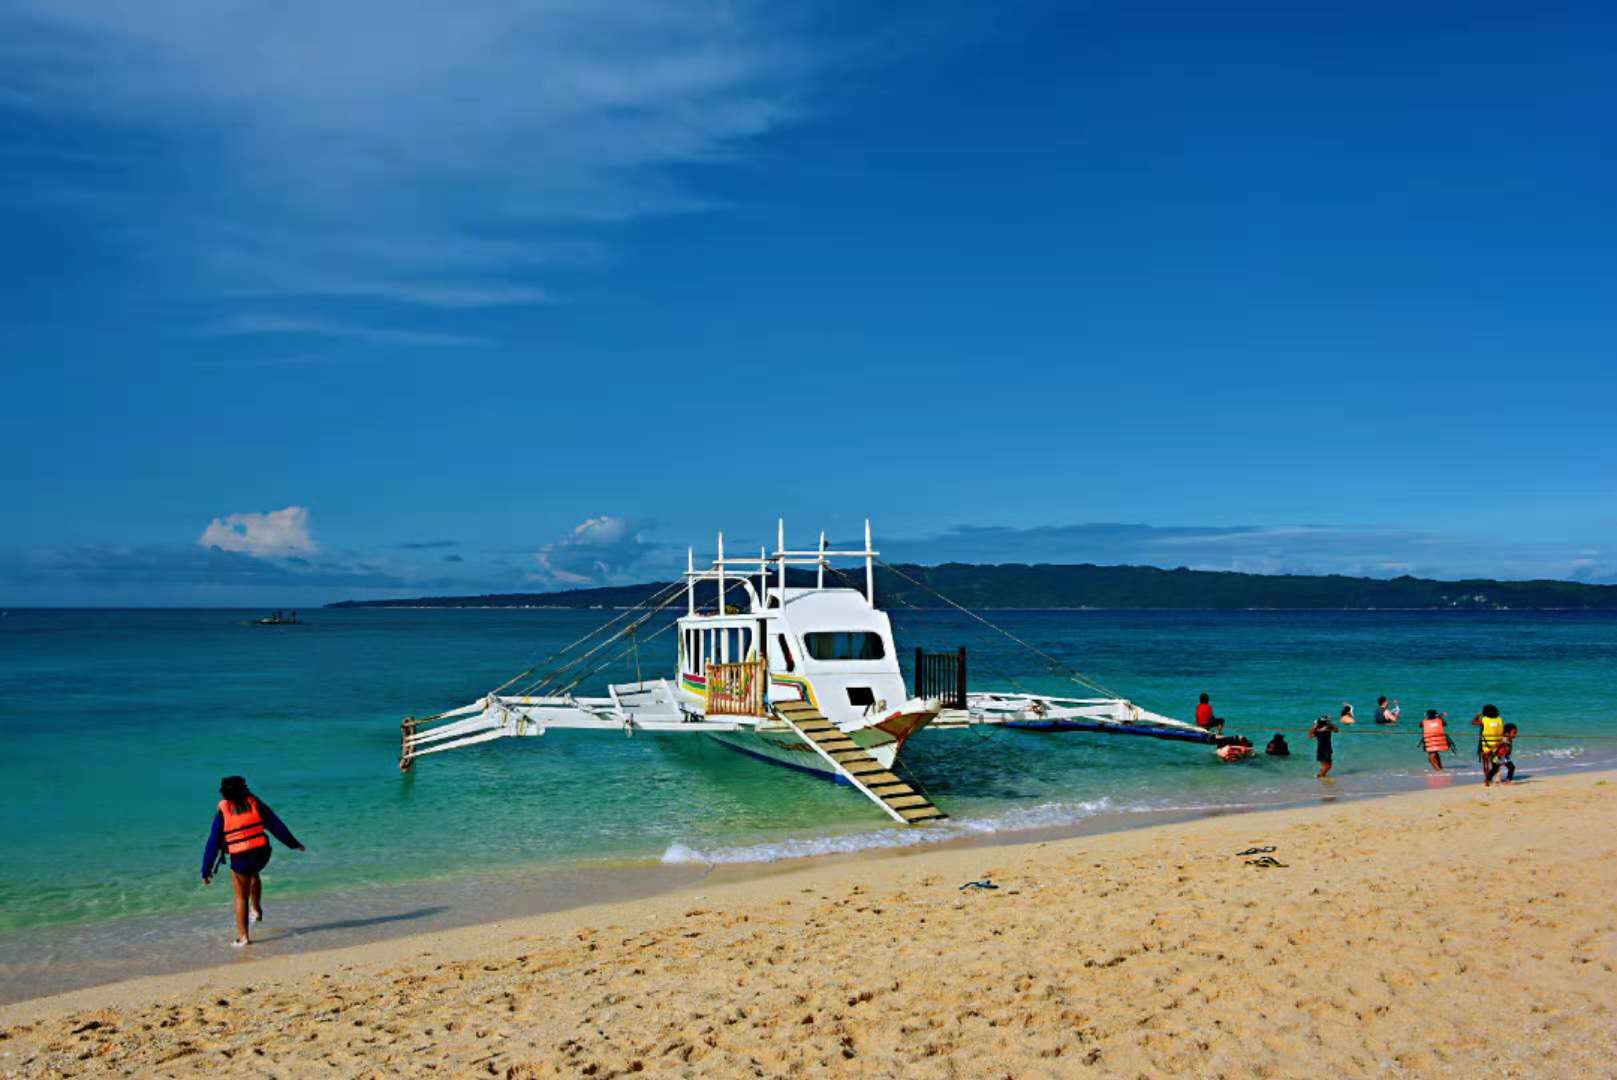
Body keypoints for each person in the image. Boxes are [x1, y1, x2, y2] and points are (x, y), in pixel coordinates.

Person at [201, 776, 305, 946]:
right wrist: (293, 844)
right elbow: (275, 824)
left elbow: (213, 841)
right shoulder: (254, 802)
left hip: (241, 857)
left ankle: (243, 937)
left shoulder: (223, 810)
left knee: (240, 897)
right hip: (262, 853)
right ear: (244, 789)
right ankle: (256, 909)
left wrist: (206, 870)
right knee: (253, 872)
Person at [1472, 705, 1507, 787]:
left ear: (1485, 713)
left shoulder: (1484, 720)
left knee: (1486, 764)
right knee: (1495, 763)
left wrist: (1478, 715)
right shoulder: (1500, 719)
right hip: (1498, 745)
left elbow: (1473, 722)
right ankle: (1497, 778)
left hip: (1486, 745)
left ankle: (1487, 780)